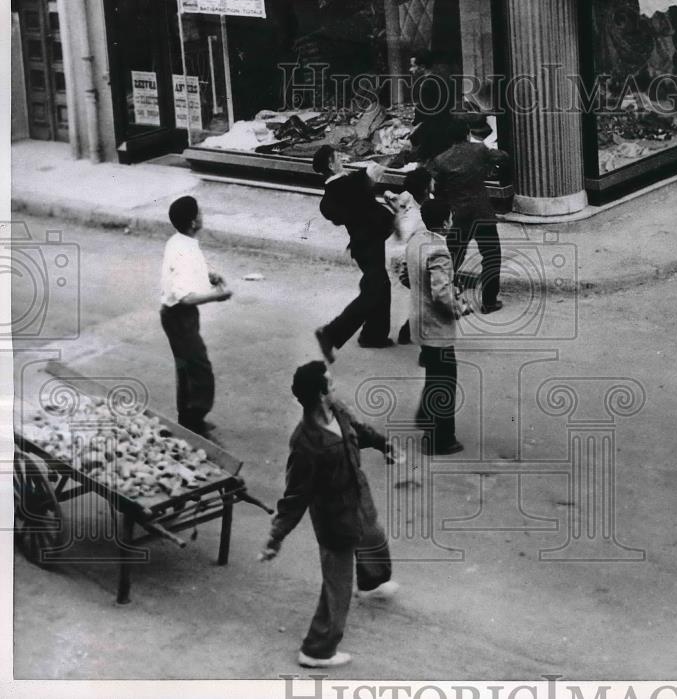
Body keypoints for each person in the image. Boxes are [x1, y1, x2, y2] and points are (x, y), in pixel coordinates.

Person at [259, 360, 401, 669]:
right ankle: (317, 648)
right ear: (320, 394)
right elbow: (295, 496)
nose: (335, 386)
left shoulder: (337, 410)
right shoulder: (305, 443)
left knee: (373, 536)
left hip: (357, 496)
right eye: (331, 382)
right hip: (334, 518)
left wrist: (383, 445)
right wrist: (276, 537)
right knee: (337, 584)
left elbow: (359, 432)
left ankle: (372, 582)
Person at [159, 196, 232, 436]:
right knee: (200, 370)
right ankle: (193, 422)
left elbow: (194, 267)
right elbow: (185, 297)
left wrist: (211, 274)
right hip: (179, 316)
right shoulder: (185, 250)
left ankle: (188, 419)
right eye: (200, 213)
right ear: (193, 221)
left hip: (178, 317)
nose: (203, 215)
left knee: (186, 368)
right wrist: (217, 295)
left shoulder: (181, 241)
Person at [404, 198, 472, 455]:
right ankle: (440, 439)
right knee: (444, 380)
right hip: (436, 327)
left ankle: (426, 416)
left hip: (418, 321)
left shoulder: (416, 241)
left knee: (434, 373)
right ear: (445, 222)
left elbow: (404, 273)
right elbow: (442, 295)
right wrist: (460, 308)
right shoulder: (439, 250)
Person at [314, 162, 396, 360]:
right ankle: (331, 333)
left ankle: (373, 335)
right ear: (332, 164)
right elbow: (368, 175)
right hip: (367, 243)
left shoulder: (335, 190)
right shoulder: (345, 184)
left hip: (366, 243)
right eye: (338, 158)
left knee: (381, 285)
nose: (343, 161)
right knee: (374, 290)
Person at [426, 119, 509, 314]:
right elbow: (502, 158)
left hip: (459, 215)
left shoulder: (441, 160)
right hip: (482, 212)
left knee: (453, 255)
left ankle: (445, 293)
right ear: (467, 133)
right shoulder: (479, 150)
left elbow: (439, 192)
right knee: (491, 256)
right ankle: (489, 301)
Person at [384, 166, 432, 346]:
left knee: (424, 297)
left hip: (413, 258)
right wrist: (398, 216)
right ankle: (417, 338)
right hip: (408, 261)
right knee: (427, 297)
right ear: (427, 188)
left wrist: (393, 202)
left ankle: (408, 332)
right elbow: (401, 236)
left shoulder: (409, 197)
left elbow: (390, 195)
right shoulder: (415, 217)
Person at [408, 48, 455, 162]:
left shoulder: (427, 84)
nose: (411, 69)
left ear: (423, 67)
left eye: (413, 66)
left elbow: (424, 113)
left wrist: (414, 127)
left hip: (432, 131)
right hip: (445, 126)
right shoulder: (442, 79)